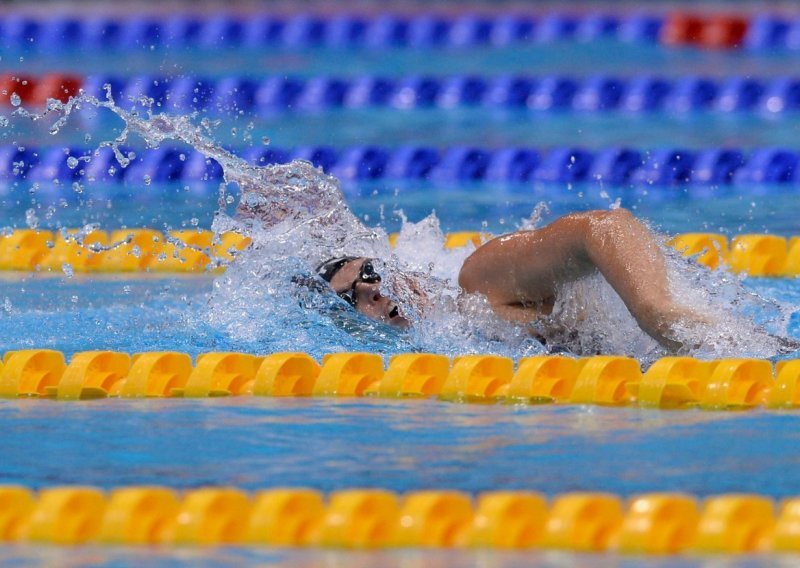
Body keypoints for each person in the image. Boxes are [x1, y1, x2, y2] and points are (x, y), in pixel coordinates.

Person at [316, 208, 705, 351]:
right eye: (352, 299)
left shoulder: (481, 282)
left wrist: (653, 309)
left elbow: (601, 228)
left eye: (370, 272)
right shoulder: (455, 351)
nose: (373, 289)